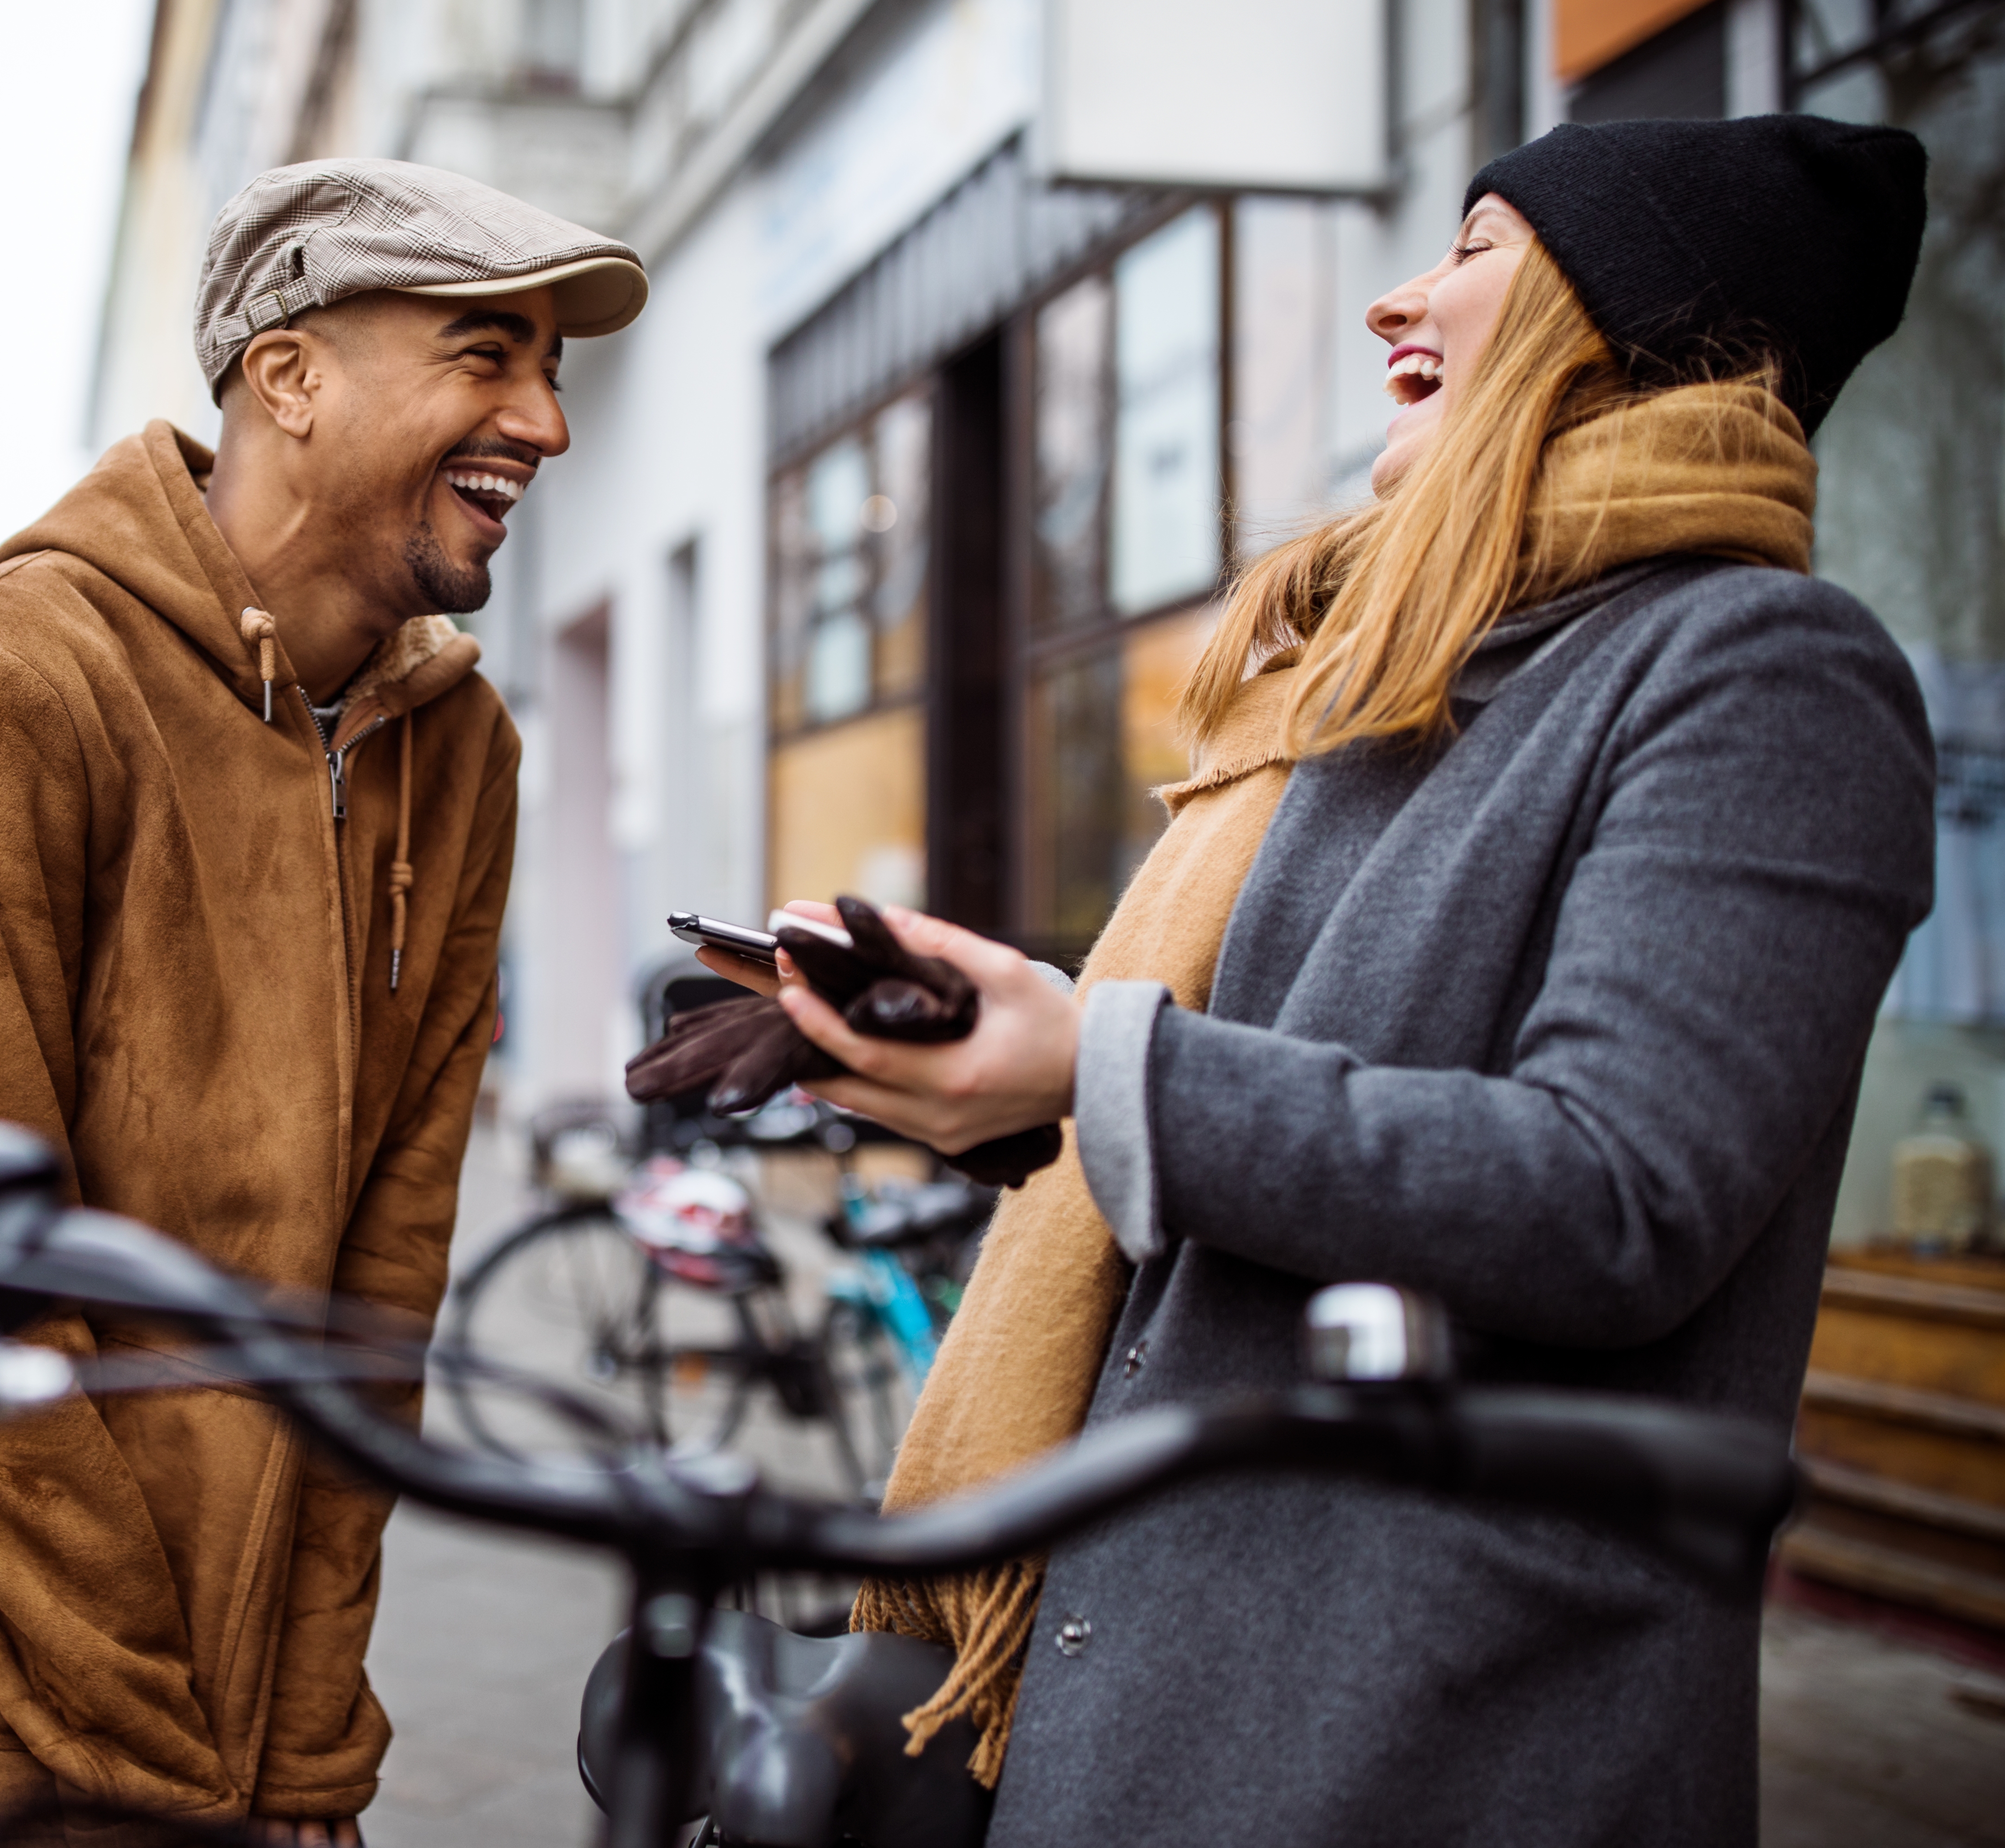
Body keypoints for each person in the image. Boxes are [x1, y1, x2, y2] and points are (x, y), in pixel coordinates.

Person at [701, 114, 1937, 1842]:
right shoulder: (1387, 676)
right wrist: (967, 1060)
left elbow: (1616, 1191)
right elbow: (1288, 1093)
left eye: (1476, 247)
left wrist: (1100, 1068)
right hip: (1132, 1673)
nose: (1393, 300)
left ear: (1625, 322)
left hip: (1417, 1725)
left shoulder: (1759, 672)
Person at [0, 160, 647, 1848]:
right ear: (286, 375)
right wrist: (159, 1765)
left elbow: (382, 1286)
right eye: (484, 356)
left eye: (550, 370)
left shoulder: (462, 753)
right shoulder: (3, 681)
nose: (544, 423)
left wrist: (300, 1734)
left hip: (238, 1680)